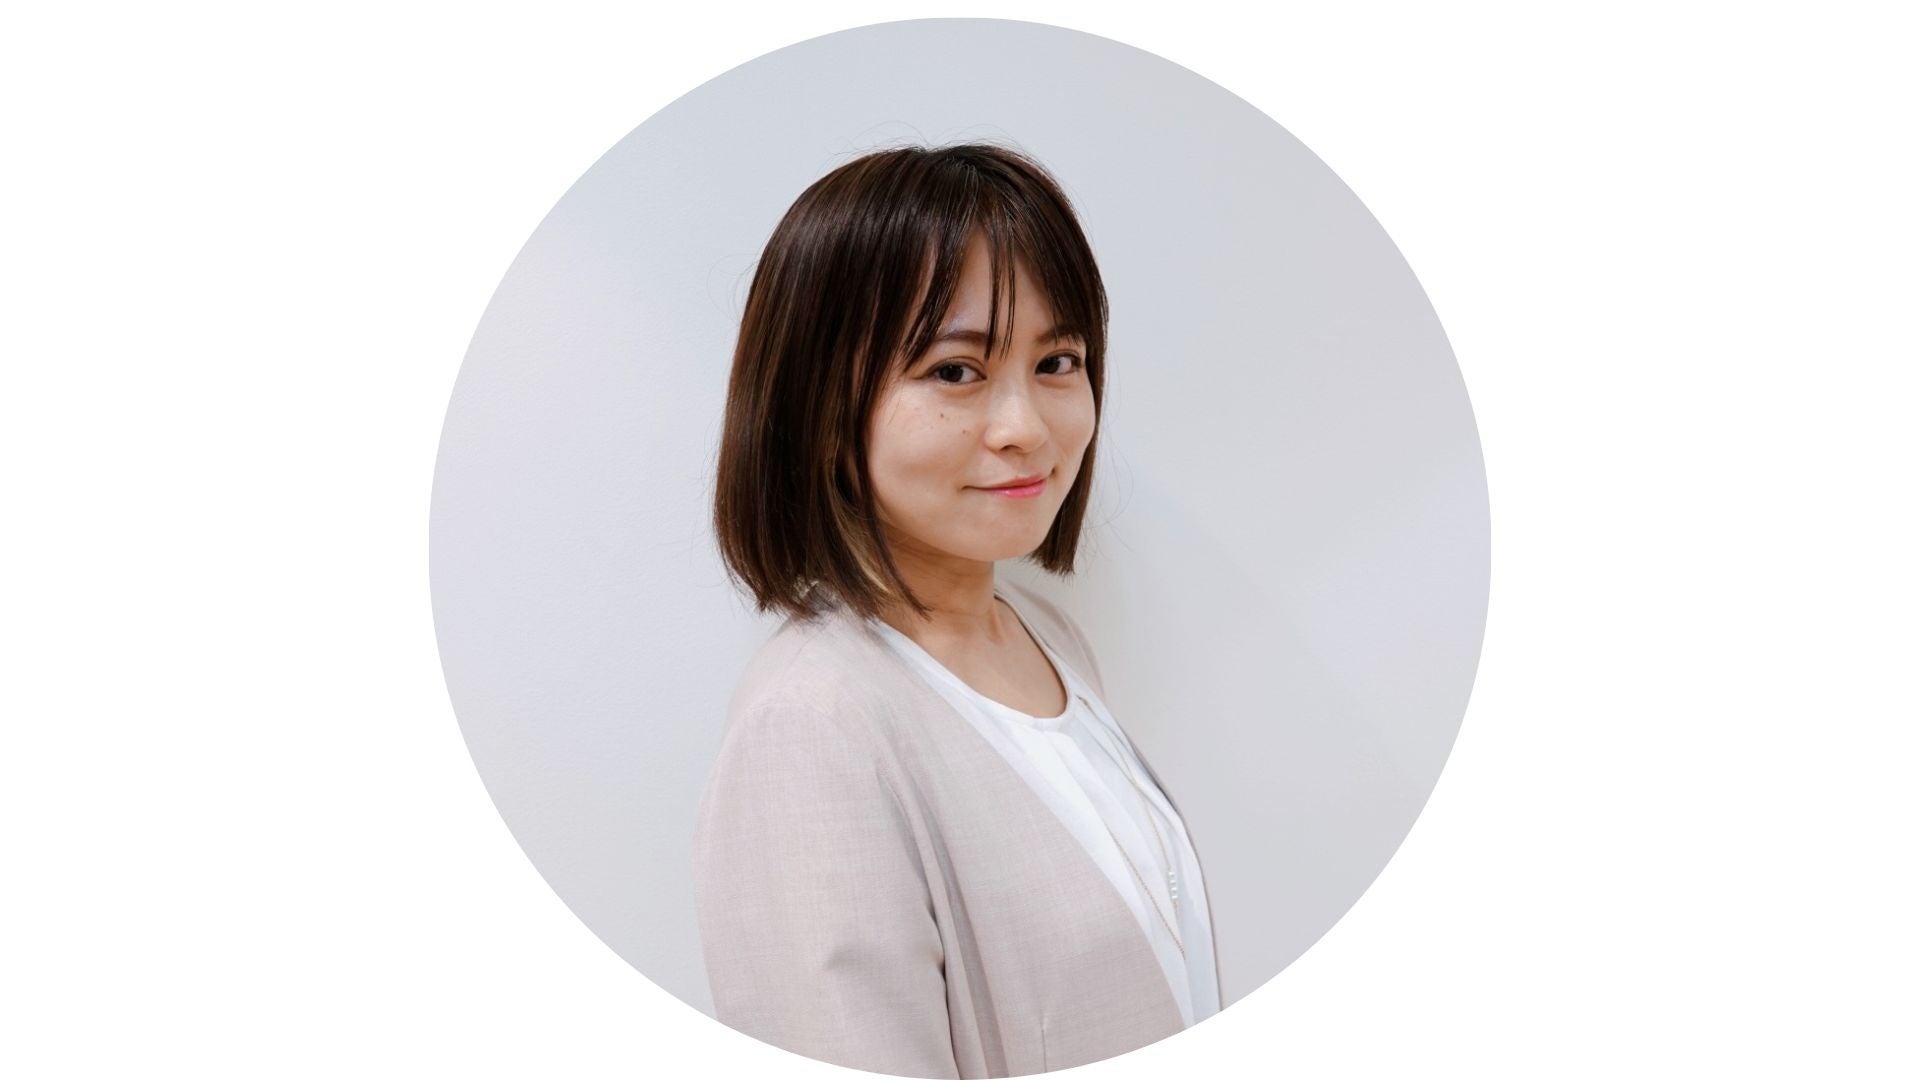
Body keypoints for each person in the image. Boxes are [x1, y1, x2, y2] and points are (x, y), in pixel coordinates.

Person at [695, 142, 1220, 1079]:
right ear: (821, 407)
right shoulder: (811, 727)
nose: (1026, 426)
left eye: (1057, 361)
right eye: (954, 371)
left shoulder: (1045, 637)